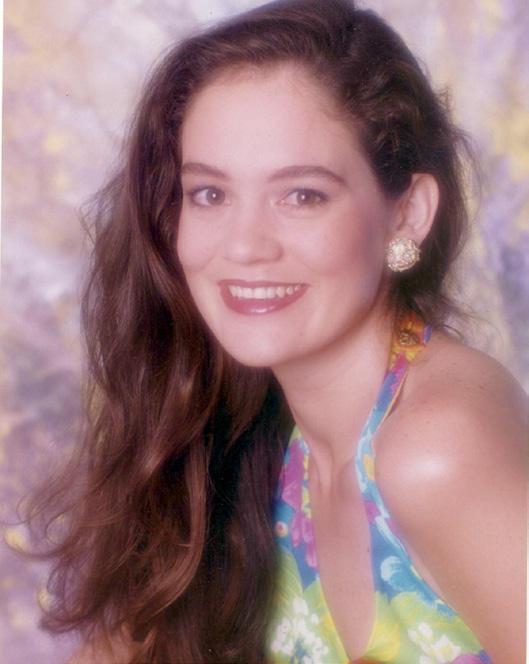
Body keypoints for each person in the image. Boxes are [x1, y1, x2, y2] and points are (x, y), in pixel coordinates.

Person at [24, 0, 527, 662]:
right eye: (210, 194)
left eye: (301, 195)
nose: (243, 246)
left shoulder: (436, 449)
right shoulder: (274, 429)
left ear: (405, 215)